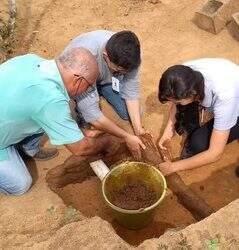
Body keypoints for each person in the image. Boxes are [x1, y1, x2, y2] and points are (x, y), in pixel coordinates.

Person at [0, 47, 117, 195]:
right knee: (21, 184)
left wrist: (80, 132)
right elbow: (80, 148)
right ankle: (11, 150)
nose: (87, 91)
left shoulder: (32, 60)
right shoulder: (50, 99)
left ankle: (26, 148)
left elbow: (41, 107)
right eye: (88, 86)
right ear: (78, 80)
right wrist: (106, 143)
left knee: (40, 114)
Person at [62, 30, 145, 159]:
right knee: (89, 114)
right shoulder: (85, 59)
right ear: (105, 56)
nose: (122, 74)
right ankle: (81, 116)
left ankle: (101, 90)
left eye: (125, 72)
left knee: (132, 113)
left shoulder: (133, 57)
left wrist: (139, 131)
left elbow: (131, 91)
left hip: (106, 80)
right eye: (118, 71)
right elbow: (93, 115)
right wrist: (126, 136)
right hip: (83, 80)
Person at [157, 58, 239, 175]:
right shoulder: (183, 75)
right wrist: (167, 133)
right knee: (184, 113)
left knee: (198, 144)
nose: (175, 104)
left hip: (235, 101)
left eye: (178, 102)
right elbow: (176, 102)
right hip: (224, 83)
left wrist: (173, 167)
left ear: (193, 94)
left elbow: (215, 153)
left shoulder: (226, 98)